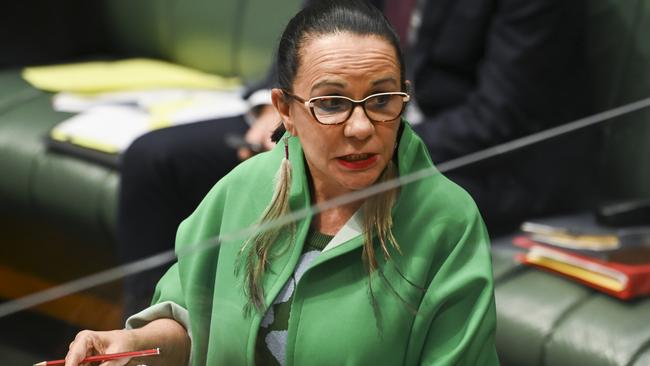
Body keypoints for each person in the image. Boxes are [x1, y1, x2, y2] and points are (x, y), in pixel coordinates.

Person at [66, 1, 498, 365]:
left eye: (381, 100)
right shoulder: (244, 189)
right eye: (332, 103)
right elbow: (190, 321)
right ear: (284, 109)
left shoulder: (447, 222)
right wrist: (135, 345)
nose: (362, 127)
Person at [117, 0, 597, 317]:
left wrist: (364, 138)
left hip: (474, 158)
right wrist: (272, 112)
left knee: (345, 198)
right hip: (335, 117)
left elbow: (501, 116)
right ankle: (150, 340)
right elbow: (309, 32)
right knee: (154, 160)